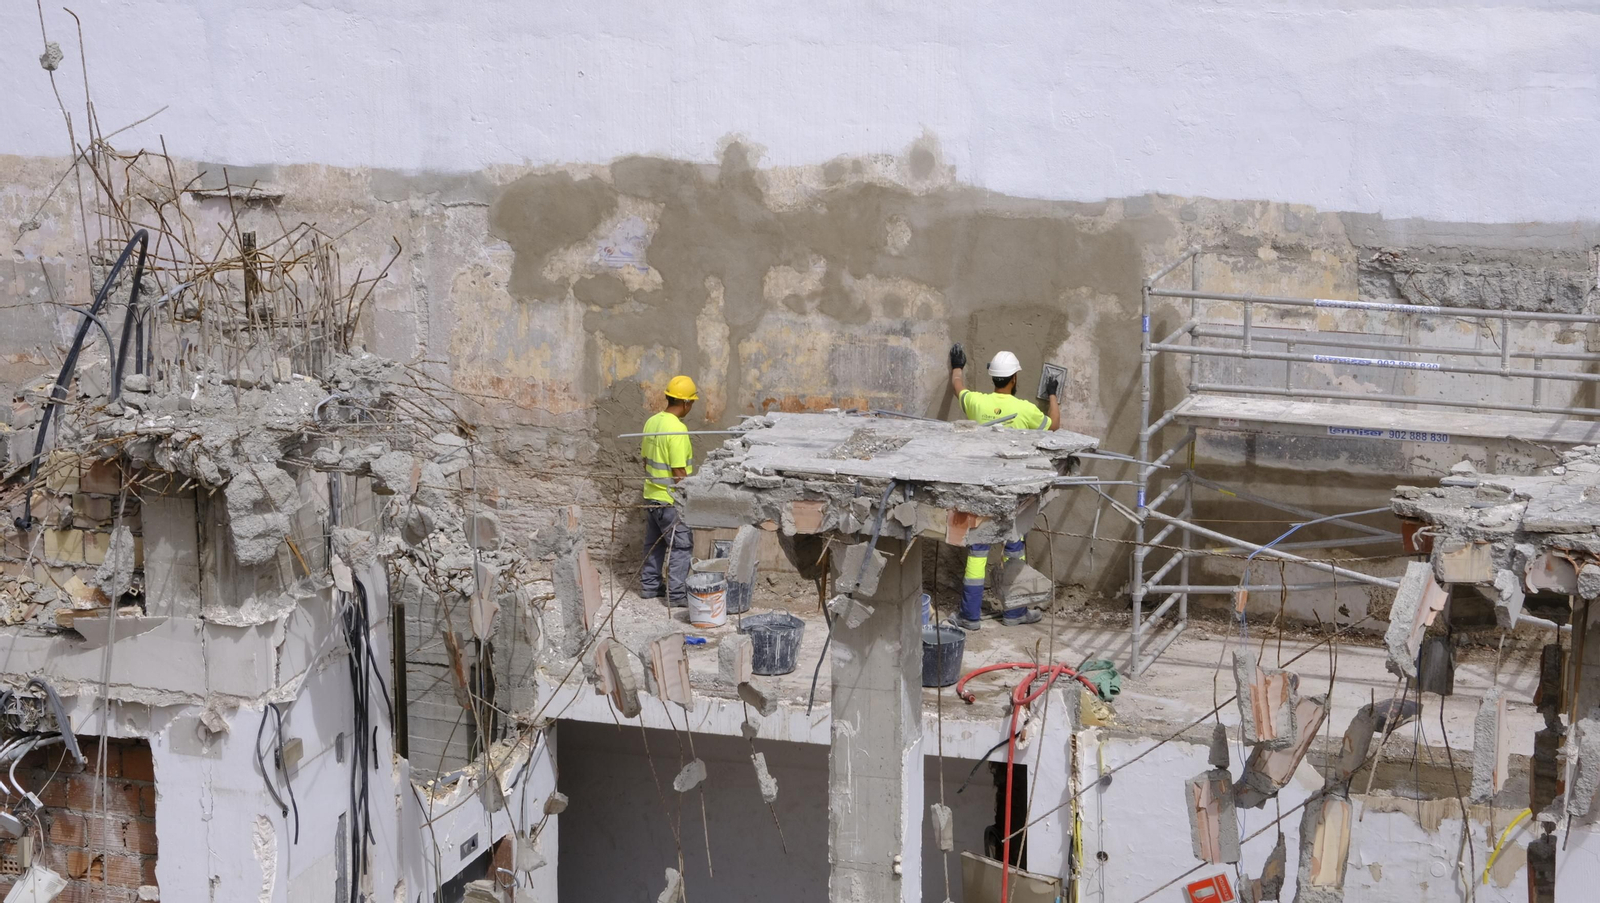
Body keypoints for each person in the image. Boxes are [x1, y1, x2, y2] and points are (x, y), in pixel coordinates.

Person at [946, 344, 1061, 629]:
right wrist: (1053, 394)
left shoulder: (978, 403)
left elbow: (958, 387)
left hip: (982, 492)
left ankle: (970, 617)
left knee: (977, 552)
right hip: (1014, 495)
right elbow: (1054, 425)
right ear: (1014, 379)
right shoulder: (1025, 410)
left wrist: (957, 366)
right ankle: (1014, 613)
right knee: (1014, 548)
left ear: (994, 378)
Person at [640, 375, 699, 607]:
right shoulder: (678, 429)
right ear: (686, 403)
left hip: (651, 496)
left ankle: (649, 587)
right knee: (681, 547)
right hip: (670, 501)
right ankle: (676, 596)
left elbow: (645, 461)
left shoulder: (652, 422)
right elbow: (679, 473)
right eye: (691, 403)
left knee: (653, 544)